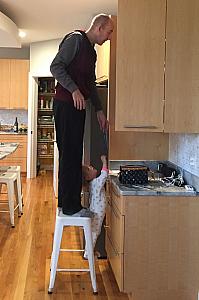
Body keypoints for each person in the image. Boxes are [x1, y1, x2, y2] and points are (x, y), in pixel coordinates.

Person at [50, 14, 114, 216]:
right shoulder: (75, 40)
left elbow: (91, 84)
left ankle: (67, 203)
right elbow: (55, 66)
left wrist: (99, 110)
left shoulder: (92, 53)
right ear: (99, 27)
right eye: (109, 31)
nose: (110, 37)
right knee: (70, 154)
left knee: (74, 153)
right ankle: (70, 207)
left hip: (77, 108)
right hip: (66, 105)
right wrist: (73, 89)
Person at [82, 155, 108, 257]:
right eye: (89, 168)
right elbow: (104, 174)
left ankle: (90, 251)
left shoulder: (92, 183)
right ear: (88, 177)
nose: (91, 167)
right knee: (95, 232)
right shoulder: (96, 182)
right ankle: (88, 254)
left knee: (94, 231)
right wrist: (104, 162)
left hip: (95, 210)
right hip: (98, 211)